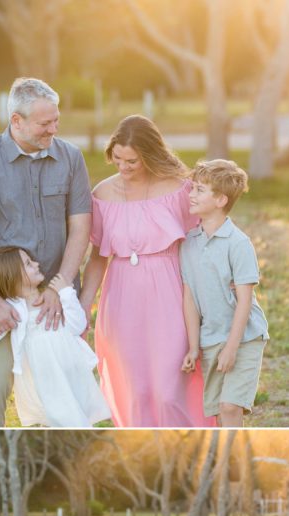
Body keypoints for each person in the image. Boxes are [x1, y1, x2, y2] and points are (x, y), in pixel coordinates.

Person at [0, 77, 93, 427]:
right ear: (17, 120)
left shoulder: (71, 158)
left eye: (56, 120)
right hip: (3, 297)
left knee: (57, 393)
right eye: (45, 124)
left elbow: (80, 228)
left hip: (53, 298)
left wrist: (59, 287)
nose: (53, 129)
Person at [79, 115, 213, 428]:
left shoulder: (179, 189)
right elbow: (97, 257)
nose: (123, 168)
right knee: (135, 389)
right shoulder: (102, 194)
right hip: (122, 295)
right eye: (117, 159)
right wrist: (85, 304)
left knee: (169, 388)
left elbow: (201, 244)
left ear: (149, 156)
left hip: (170, 291)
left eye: (132, 162)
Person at [0, 246, 110, 427]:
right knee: (62, 418)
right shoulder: (14, 310)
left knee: (74, 416)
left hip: (70, 371)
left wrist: (66, 292)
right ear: (13, 276)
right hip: (44, 378)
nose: (37, 264)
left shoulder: (54, 300)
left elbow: (78, 326)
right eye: (29, 264)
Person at [180, 159, 269, 427]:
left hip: (244, 338)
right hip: (210, 339)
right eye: (192, 188)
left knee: (231, 407)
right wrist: (194, 347)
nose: (191, 195)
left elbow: (245, 300)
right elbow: (190, 297)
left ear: (220, 200)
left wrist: (232, 347)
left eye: (199, 189)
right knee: (219, 411)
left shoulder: (238, 243)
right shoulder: (188, 243)